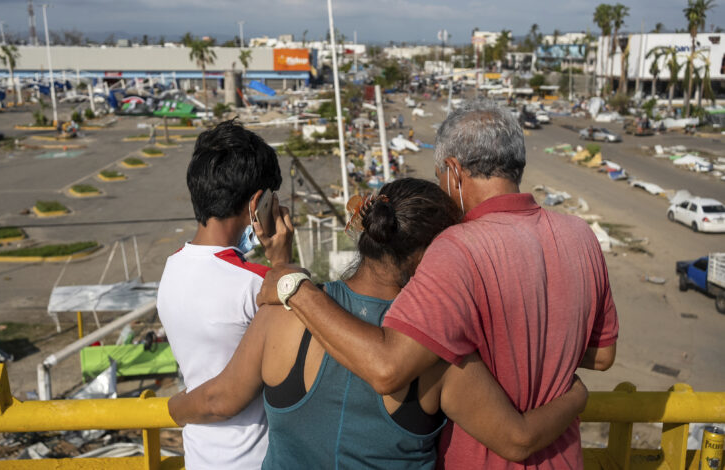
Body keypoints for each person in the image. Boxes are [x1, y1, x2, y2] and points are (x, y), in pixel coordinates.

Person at [257, 100, 618, 469]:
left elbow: (388, 368)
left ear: (453, 171)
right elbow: (602, 355)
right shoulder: (581, 236)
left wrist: (293, 284)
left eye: (439, 177)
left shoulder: (457, 247)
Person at [169, 178, 589, 469]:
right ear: (432, 256)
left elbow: (218, 400)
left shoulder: (285, 312)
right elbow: (517, 439)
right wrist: (575, 396)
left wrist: (170, 408)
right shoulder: (435, 354)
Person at [157, 120, 291, 469]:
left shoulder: (171, 272)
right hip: (256, 461)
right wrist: (283, 263)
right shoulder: (257, 283)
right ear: (257, 203)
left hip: (201, 455)